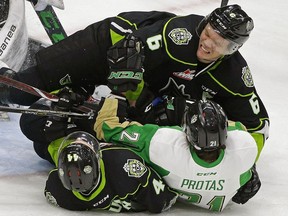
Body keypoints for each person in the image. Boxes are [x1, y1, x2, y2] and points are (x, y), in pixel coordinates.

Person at [0, 4, 269, 159]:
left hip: (142, 81)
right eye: (208, 32)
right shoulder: (180, 36)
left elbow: (258, 128)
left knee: (40, 130)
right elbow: (127, 54)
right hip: (107, 44)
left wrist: (246, 164)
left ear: (232, 48)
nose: (207, 43)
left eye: (218, 42)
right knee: (16, 92)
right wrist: (140, 102)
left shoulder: (234, 76)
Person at [94, 96, 261, 212]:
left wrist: (114, 95)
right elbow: (239, 129)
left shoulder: (163, 145)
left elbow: (107, 128)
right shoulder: (245, 148)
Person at [19, 98, 178, 213]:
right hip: (120, 137)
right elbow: (164, 199)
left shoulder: (57, 189)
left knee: (36, 136)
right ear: (97, 159)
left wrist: (60, 117)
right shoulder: (124, 165)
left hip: (62, 142)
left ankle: (69, 112)